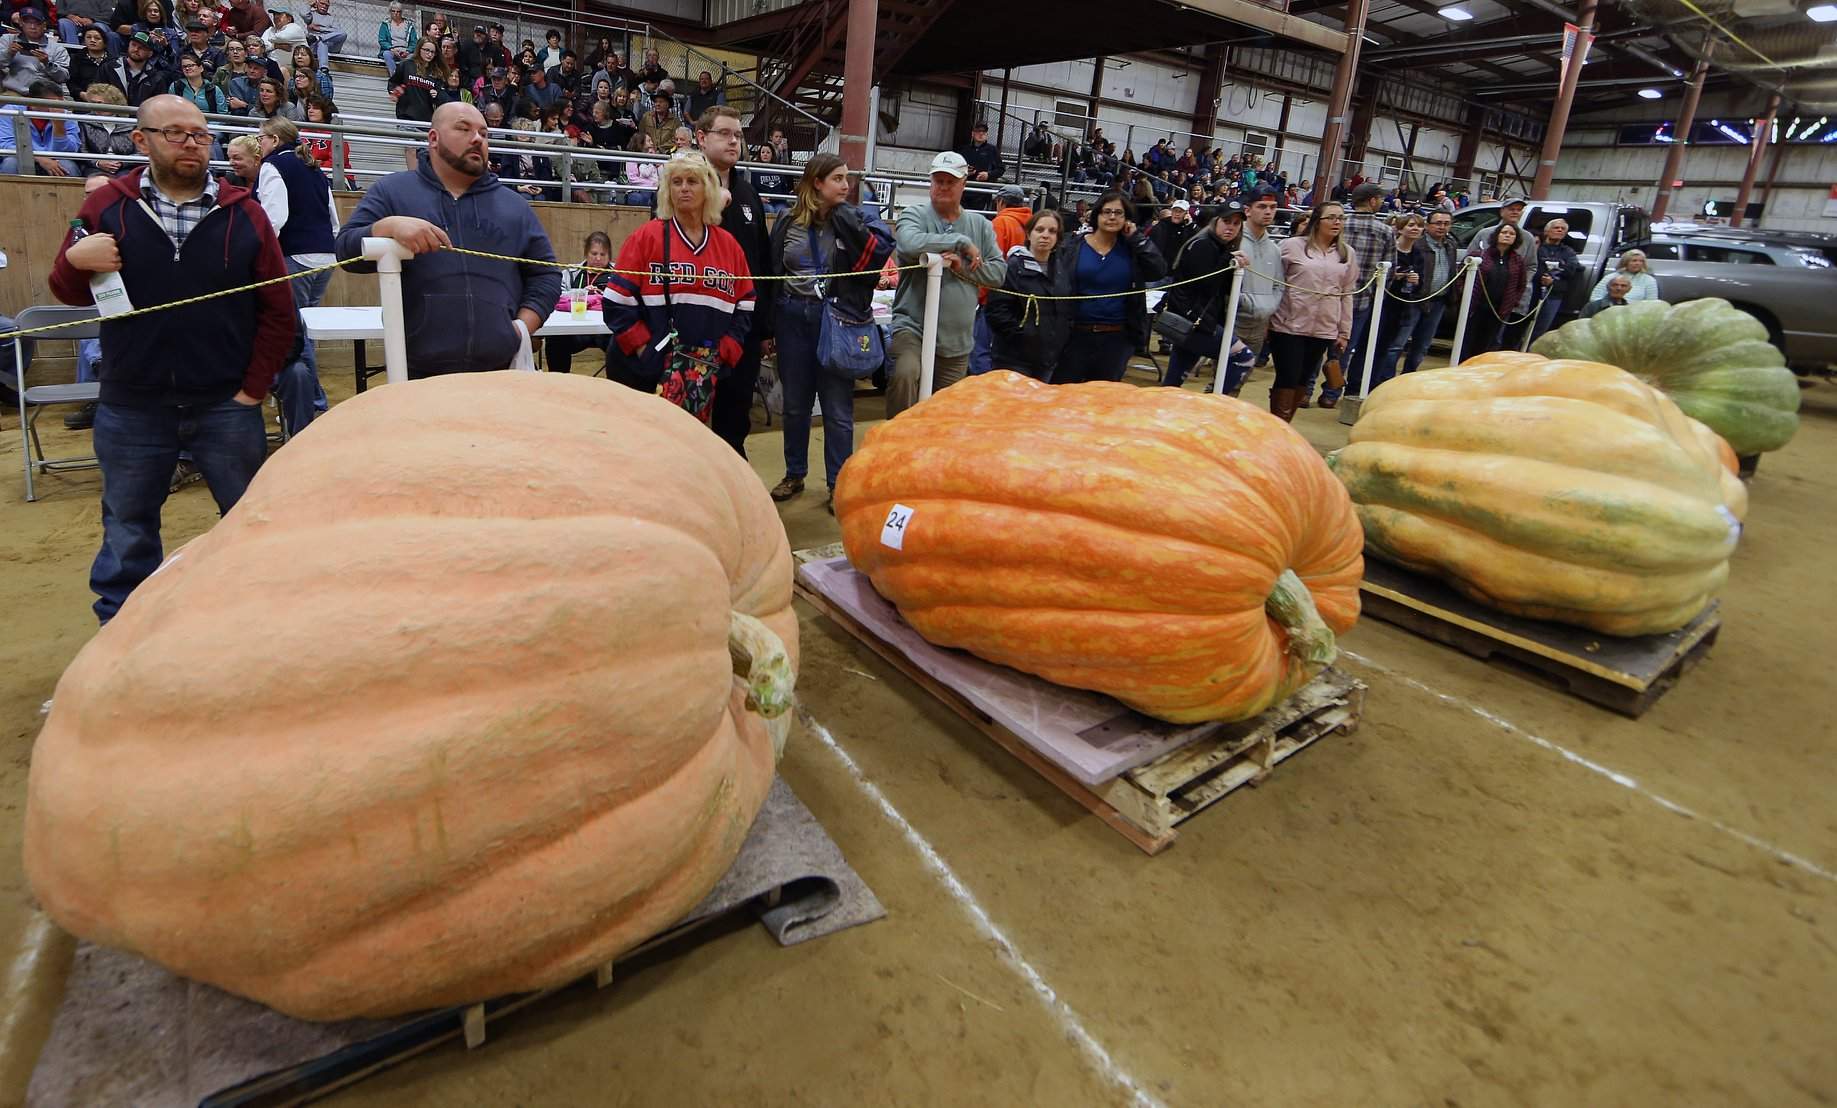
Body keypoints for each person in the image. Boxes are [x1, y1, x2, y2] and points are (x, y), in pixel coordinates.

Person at [51, 95, 295, 624]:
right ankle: (124, 638)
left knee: (248, 523)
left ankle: (255, 627)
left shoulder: (245, 211)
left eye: (200, 135)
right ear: (142, 140)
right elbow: (68, 292)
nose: (191, 144)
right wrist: (75, 260)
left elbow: (278, 309)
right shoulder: (105, 208)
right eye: (176, 133)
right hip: (133, 405)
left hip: (226, 404)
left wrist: (253, 388)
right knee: (128, 531)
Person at [336, 101, 560, 377]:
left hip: (501, 373)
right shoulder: (392, 192)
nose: (477, 138)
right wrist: (387, 227)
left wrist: (520, 329)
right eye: (463, 129)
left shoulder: (515, 206)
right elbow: (346, 251)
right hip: (419, 374)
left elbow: (547, 275)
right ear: (433, 138)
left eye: (484, 133)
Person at [764, 152, 889, 508]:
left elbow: (876, 254)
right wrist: (770, 327)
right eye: (837, 178)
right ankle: (794, 473)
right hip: (792, 318)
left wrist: (843, 212)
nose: (845, 185)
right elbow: (775, 273)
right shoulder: (788, 221)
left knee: (837, 409)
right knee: (795, 405)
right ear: (816, 182)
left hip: (833, 320)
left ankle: (839, 484)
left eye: (846, 178)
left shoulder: (852, 219)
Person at [601, 151, 755, 416]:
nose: (684, 188)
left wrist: (725, 350)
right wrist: (645, 350)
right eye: (676, 182)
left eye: (692, 181)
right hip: (646, 374)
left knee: (687, 450)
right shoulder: (647, 237)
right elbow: (616, 301)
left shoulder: (728, 246)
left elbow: (746, 301)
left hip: (702, 373)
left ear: (708, 189)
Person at [886, 150, 1006, 416]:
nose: (942, 187)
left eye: (950, 181)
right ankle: (896, 441)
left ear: (964, 184)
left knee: (945, 412)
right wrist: (958, 241)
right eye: (937, 181)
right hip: (912, 326)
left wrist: (961, 267)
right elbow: (907, 243)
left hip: (957, 339)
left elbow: (998, 274)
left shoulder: (981, 225)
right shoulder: (914, 215)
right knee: (906, 373)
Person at [249, 114, 335, 435]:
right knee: (306, 330)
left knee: (295, 335)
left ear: (274, 139)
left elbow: (274, 218)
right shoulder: (315, 168)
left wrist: (258, 256)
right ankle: (312, 401)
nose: (260, 144)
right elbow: (332, 216)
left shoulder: (273, 167)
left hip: (295, 255)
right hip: (326, 255)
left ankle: (315, 403)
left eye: (261, 139)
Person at [695, 104, 773, 457]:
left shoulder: (748, 194)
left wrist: (766, 326)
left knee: (736, 411)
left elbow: (763, 261)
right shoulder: (683, 187)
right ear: (701, 137)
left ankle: (733, 476)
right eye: (724, 133)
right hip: (695, 326)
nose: (733, 141)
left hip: (743, 328)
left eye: (738, 135)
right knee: (691, 419)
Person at [1055, 189, 1164, 384]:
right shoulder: (1072, 246)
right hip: (1075, 336)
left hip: (1117, 338)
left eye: (1118, 213)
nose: (1112, 217)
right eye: (1107, 211)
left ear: (1127, 218)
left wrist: (1137, 238)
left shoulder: (1132, 248)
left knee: (1104, 399)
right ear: (1097, 214)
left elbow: (1158, 270)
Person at [1265, 201, 1356, 422]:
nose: (1337, 222)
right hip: (1288, 325)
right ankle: (1278, 425)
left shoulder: (1347, 253)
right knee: (1288, 376)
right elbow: (1274, 282)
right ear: (1317, 221)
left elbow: (1347, 293)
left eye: (1341, 218)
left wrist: (1344, 331)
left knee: (1303, 379)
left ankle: (1285, 425)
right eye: (1332, 217)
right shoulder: (1291, 246)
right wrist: (1267, 318)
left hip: (1323, 328)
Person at [1318, 180, 1392, 408]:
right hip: (1360, 300)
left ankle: (1304, 391)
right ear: (1372, 201)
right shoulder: (1386, 231)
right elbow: (1389, 270)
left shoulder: (1339, 226)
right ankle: (1331, 394)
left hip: (1326, 295)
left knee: (1316, 345)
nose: (1381, 203)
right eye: (1380, 199)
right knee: (1344, 348)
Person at [1159, 200, 1243, 391]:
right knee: (1243, 358)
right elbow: (1206, 285)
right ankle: (1212, 400)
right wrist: (1228, 261)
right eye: (1227, 221)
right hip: (1196, 323)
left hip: (1194, 321)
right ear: (1216, 221)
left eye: (1236, 223)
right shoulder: (1204, 246)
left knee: (1174, 379)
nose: (1231, 227)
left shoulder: (1214, 246)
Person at [985, 207, 1071, 381]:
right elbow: (997, 310)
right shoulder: (1012, 267)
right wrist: (1023, 336)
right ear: (1029, 233)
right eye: (1039, 230)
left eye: (1052, 231)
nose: (1045, 235)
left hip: (1048, 358)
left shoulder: (1063, 268)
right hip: (1014, 358)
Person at [1353, 211, 1428, 396]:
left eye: (1418, 226)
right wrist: (1394, 277)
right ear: (1400, 228)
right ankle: (1355, 386)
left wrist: (1416, 281)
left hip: (1400, 308)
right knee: (1366, 346)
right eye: (1411, 225)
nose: (1415, 229)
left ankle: (1374, 386)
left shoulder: (1418, 254)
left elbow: (1421, 284)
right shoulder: (1390, 249)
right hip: (1380, 305)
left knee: (1385, 348)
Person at [1382, 206, 1457, 376]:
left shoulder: (1451, 245)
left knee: (1422, 346)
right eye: (1438, 223)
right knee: (1397, 344)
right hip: (1414, 300)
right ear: (1428, 225)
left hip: (1438, 301)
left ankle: (1408, 376)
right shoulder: (1418, 245)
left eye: (1446, 223)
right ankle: (1385, 379)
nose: (1442, 227)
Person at [969, 184, 1031, 376]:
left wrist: (980, 296)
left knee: (980, 351)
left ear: (1000, 202)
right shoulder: (1033, 224)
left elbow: (990, 265)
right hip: (1025, 301)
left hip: (996, 299)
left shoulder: (1000, 223)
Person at [545, 230, 613, 372]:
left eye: (603, 254)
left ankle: (616, 388)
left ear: (609, 256)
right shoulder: (571, 272)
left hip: (606, 331)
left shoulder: (619, 274)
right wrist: (580, 294)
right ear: (586, 253)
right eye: (594, 254)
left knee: (621, 342)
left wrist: (604, 295)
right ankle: (559, 384)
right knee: (555, 340)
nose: (598, 259)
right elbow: (558, 296)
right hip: (575, 331)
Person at [1462, 220, 1527, 360]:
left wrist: (1512, 301)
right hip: (1476, 307)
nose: (1507, 235)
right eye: (1504, 232)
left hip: (1499, 310)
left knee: (1487, 344)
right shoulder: (1480, 255)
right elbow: (1461, 275)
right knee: (1467, 341)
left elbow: (1521, 285)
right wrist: (1464, 295)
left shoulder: (1517, 260)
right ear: (1496, 235)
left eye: (1511, 233)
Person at [0, 79, 78, 174]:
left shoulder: (66, 115)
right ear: (33, 102)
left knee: (68, 167)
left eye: (61, 103)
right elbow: (5, 144)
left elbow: (69, 151)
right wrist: (38, 157)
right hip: (22, 155)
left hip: (56, 158)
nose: (58, 107)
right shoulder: (10, 111)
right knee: (10, 163)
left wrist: (59, 126)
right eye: (53, 103)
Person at [1528, 217, 1582, 343]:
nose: (1559, 230)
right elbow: (1532, 265)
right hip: (1532, 292)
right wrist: (1547, 273)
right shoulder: (1537, 247)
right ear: (1547, 231)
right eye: (1556, 227)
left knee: (1542, 328)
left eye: (1562, 229)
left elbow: (1571, 270)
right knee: (1523, 325)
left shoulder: (1568, 252)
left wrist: (1552, 278)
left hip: (1554, 293)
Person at [388, 33, 439, 165]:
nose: (429, 54)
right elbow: (393, 82)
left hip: (426, 120)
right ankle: (413, 180)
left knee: (424, 155)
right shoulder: (407, 65)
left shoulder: (435, 73)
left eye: (432, 52)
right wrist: (394, 92)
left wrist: (436, 94)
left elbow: (440, 96)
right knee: (410, 149)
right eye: (426, 50)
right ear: (419, 49)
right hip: (407, 116)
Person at [3, 7, 69, 92]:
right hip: (15, 92)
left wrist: (47, 63)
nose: (32, 27)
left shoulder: (58, 49)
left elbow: (63, 78)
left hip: (45, 95)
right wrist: (9, 53)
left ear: (44, 25)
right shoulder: (8, 40)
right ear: (21, 23)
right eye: (28, 22)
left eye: (37, 23)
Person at [1588, 247, 1660, 302]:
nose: (1638, 263)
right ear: (1625, 262)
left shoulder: (1649, 280)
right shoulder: (1610, 277)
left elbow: (1651, 302)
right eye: (1634, 260)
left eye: (1641, 261)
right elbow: (1595, 297)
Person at [1148, 197, 1196, 262]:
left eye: (1181, 211)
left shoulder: (1188, 226)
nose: (1177, 214)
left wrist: (1190, 225)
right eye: (1175, 210)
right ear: (1171, 211)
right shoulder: (1161, 225)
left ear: (1186, 213)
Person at [375, 0, 411, 77]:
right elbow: (382, 40)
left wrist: (408, 51)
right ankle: (395, 77)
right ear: (390, 11)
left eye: (398, 11)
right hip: (391, 50)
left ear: (401, 12)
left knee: (413, 57)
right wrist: (392, 49)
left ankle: (408, 79)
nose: (396, 13)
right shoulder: (385, 24)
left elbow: (414, 42)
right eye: (393, 11)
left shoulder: (409, 25)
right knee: (386, 54)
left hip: (405, 51)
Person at [303, 0, 340, 68]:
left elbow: (338, 31)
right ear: (317, 3)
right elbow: (303, 14)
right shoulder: (311, 15)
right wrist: (310, 5)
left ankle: (320, 38)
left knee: (343, 34)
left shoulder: (332, 18)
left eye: (326, 5)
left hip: (331, 45)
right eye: (322, 4)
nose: (324, 6)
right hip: (315, 44)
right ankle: (324, 68)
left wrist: (319, 28)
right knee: (322, 43)